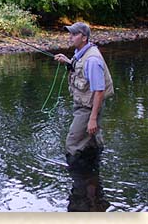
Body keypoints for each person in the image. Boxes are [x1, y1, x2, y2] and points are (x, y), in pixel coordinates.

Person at [54, 22, 114, 211]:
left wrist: (93, 118)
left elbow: (98, 91)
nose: (69, 37)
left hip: (88, 108)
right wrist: (68, 62)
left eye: (73, 34)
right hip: (84, 106)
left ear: (84, 37)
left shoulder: (92, 60)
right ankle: (93, 188)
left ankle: (81, 187)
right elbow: (81, 73)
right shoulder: (81, 55)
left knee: (72, 144)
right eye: (69, 34)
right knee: (90, 141)